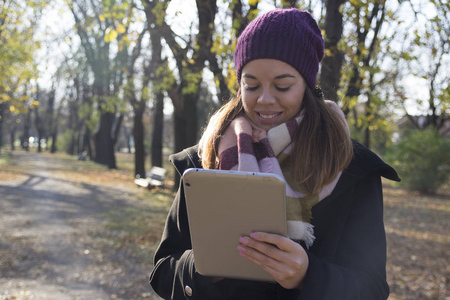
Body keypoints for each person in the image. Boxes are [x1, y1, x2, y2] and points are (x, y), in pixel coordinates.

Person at [149, 8, 400, 300]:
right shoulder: (205, 159)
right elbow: (163, 271)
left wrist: (309, 275)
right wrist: (206, 265)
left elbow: (372, 289)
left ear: (307, 85)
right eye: (251, 85)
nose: (265, 99)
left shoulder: (351, 168)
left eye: (283, 85)